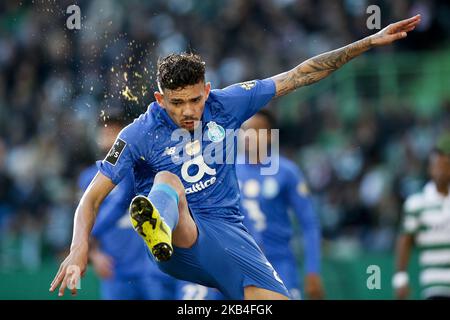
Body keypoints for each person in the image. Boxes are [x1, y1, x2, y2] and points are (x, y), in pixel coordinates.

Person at [50, 15, 421, 300]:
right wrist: (79, 247)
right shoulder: (137, 134)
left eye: (195, 99)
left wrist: (369, 41)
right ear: (160, 99)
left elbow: (299, 75)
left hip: (229, 235)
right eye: (176, 103)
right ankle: (155, 225)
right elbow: (92, 197)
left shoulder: (227, 103)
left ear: (207, 90)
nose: (189, 111)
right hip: (178, 239)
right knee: (168, 181)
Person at [78, 114, 177, 299]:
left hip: (150, 265)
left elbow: (121, 200)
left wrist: (90, 233)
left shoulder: (142, 169)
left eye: (114, 132)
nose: (108, 137)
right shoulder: (89, 179)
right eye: (105, 132)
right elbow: (86, 215)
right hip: (115, 266)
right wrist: (94, 253)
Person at [237, 110, 324, 300]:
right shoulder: (227, 172)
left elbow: (309, 223)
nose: (248, 137)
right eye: (244, 131)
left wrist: (312, 270)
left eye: (255, 131)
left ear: (269, 135)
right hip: (238, 264)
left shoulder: (287, 172)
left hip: (279, 263)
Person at [393, 134, 450, 300]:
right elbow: (405, 240)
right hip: (434, 284)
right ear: (430, 169)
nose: (441, 170)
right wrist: (400, 277)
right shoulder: (417, 204)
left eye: (445, 165)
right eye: (437, 165)